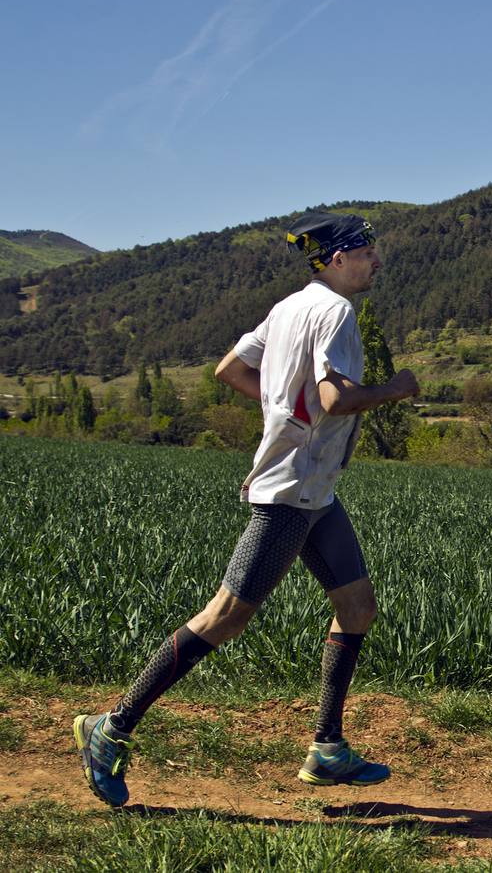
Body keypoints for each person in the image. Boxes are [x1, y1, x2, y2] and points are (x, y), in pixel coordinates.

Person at [74, 212, 420, 807]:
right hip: (290, 491)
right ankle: (111, 728)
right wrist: (398, 388)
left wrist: (286, 411)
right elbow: (336, 399)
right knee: (225, 617)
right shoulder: (335, 312)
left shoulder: (289, 307)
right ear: (336, 259)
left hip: (315, 492)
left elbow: (230, 369)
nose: (377, 262)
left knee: (357, 607)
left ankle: (327, 748)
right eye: (367, 252)